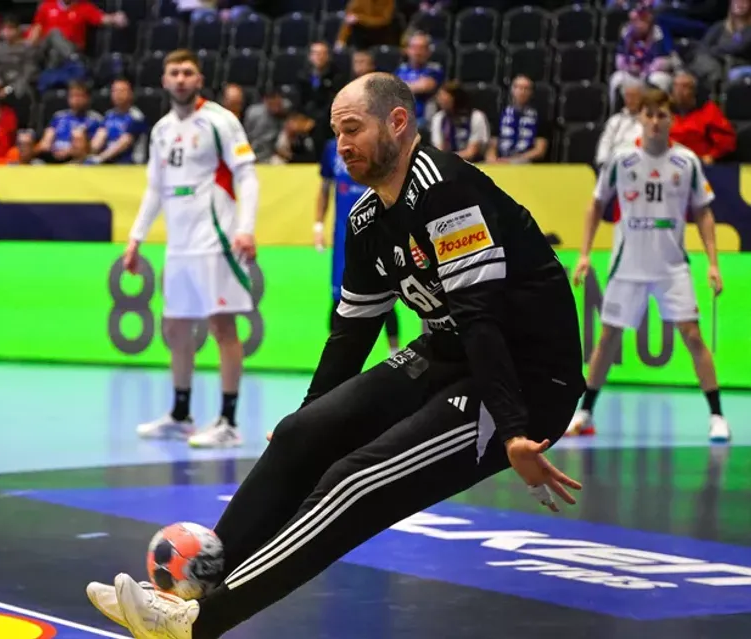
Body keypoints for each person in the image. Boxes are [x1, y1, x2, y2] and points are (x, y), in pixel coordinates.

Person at [86, 72, 585, 638]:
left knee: (355, 481)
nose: (342, 145)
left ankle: (197, 623)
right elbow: (352, 331)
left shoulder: (446, 189)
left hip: (526, 381)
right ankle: (182, 592)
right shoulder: (367, 219)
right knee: (298, 436)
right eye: (336, 132)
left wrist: (515, 431)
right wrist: (314, 416)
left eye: (353, 129)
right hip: (448, 353)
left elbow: (481, 319)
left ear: (398, 123)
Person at [567, 88, 730, 443]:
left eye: (662, 115)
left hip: (672, 267)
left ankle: (717, 416)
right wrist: (584, 253)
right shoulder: (621, 159)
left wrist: (713, 264)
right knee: (608, 337)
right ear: (640, 118)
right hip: (628, 265)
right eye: (649, 114)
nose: (655, 121)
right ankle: (586, 412)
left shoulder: (686, 161)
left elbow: (703, 212)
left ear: (671, 120)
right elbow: (596, 204)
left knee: (692, 335)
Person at [127, 50, 259, 448]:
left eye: (188, 72)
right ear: (164, 80)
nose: (181, 79)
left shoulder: (220, 120)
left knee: (222, 326)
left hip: (216, 238)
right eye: (174, 73)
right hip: (179, 245)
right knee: (175, 327)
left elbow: (247, 176)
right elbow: (154, 188)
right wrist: (136, 237)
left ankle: (229, 422)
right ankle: (181, 414)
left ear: (199, 79)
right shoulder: (161, 130)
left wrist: (246, 228)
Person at [316, 135, 400, 354]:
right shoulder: (331, 149)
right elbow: (324, 189)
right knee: (338, 297)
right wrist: (318, 225)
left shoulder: (378, 144)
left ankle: (395, 354)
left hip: (378, 233)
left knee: (386, 296)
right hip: (343, 237)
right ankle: (335, 356)